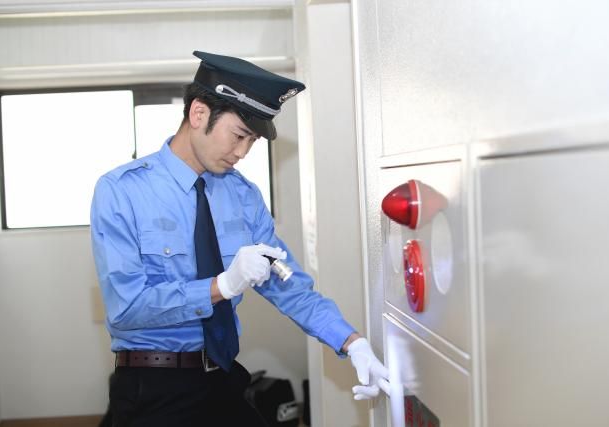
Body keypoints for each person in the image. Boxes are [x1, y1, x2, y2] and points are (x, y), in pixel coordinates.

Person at [90, 50, 389, 427]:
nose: (243, 152)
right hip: (153, 385)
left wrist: (351, 342)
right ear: (199, 114)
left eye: (252, 141)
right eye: (239, 136)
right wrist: (222, 286)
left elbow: (288, 285)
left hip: (222, 378)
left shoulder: (243, 196)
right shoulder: (122, 191)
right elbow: (127, 306)